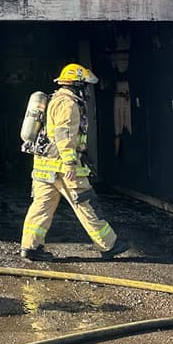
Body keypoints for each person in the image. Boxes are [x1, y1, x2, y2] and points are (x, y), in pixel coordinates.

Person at [21, 63, 130, 262]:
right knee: (87, 204)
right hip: (63, 168)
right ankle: (109, 246)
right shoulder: (69, 104)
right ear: (78, 83)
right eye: (85, 84)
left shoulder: (55, 99)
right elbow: (65, 135)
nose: (87, 88)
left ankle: (30, 247)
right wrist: (71, 164)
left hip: (44, 165)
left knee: (41, 206)